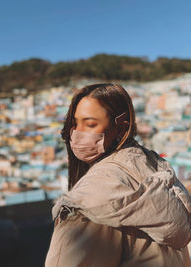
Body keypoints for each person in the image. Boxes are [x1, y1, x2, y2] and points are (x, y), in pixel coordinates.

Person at [45, 83, 191, 267]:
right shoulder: (155, 167)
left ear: (122, 128)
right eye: (75, 123)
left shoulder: (91, 198)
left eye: (90, 124)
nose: (77, 133)